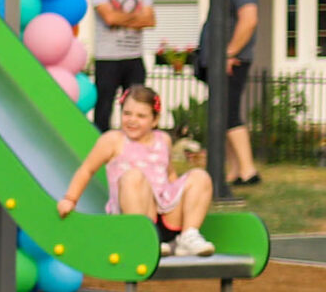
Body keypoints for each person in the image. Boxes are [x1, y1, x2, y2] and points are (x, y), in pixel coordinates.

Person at [56, 84, 215, 257]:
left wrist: (180, 197)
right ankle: (142, 238)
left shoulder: (163, 140)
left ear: (154, 120)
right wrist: (70, 199)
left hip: (166, 217)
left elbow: (169, 173)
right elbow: (86, 170)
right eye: (127, 113)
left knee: (200, 176)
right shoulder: (113, 140)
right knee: (134, 176)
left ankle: (187, 236)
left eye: (141, 116)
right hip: (134, 217)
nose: (132, 120)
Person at [201, 0, 262, 186]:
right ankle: (236, 170)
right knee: (223, 115)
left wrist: (229, 53)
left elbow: (249, 19)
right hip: (223, 62)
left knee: (229, 113)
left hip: (231, 62)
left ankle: (248, 170)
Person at [86, 0, 154, 133]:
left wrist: (120, 17)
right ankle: (101, 146)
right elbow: (109, 18)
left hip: (134, 57)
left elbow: (150, 20)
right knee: (104, 107)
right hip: (108, 58)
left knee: (138, 104)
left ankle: (133, 147)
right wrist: (136, 16)